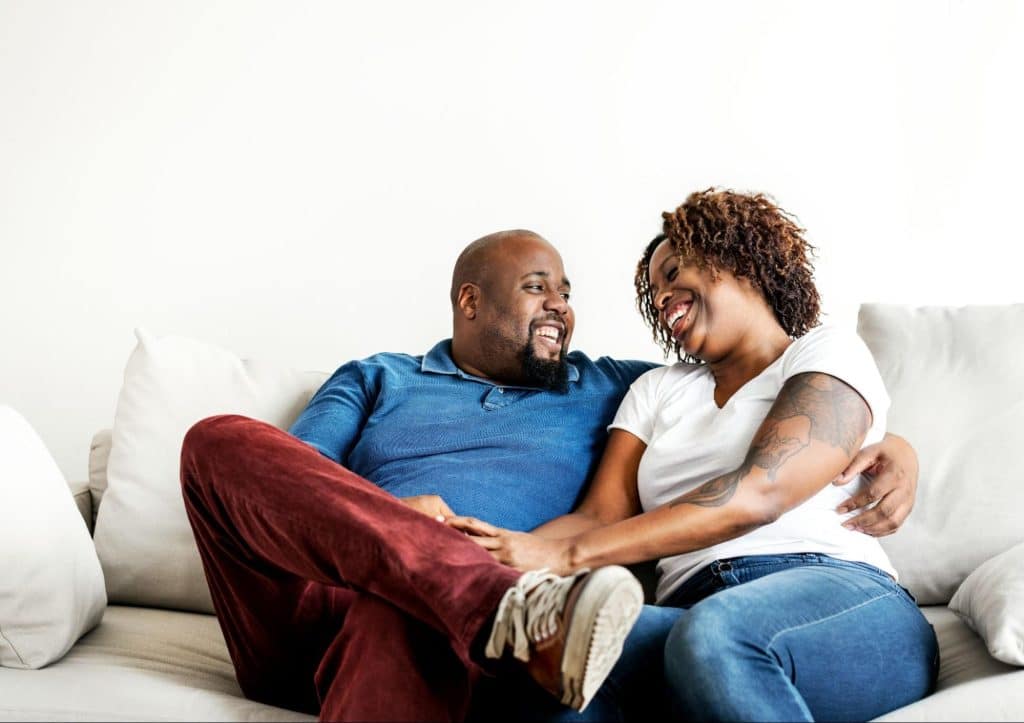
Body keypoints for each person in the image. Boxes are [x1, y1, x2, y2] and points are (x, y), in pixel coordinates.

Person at [180, 228, 922, 722]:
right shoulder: (378, 377)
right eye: (539, 287)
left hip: (441, 634)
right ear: (470, 300)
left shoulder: (614, 386)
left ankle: (472, 604)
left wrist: (895, 440)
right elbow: (286, 490)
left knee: (401, 615)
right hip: (327, 604)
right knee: (216, 440)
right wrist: (395, 527)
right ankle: (481, 597)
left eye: (566, 291)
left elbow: (754, 393)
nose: (561, 308)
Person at [447, 195, 938, 721]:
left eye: (674, 273)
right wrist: (468, 551)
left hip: (840, 598)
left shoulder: (823, 351)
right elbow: (599, 517)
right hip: (691, 610)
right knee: (549, 673)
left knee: (715, 636)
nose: (662, 300)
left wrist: (567, 560)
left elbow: (761, 491)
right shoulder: (656, 389)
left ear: (739, 259)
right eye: (654, 293)